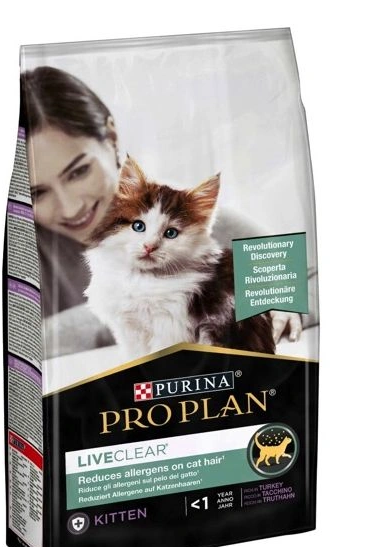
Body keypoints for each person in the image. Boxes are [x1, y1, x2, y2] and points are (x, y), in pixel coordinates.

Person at [20, 66, 314, 359]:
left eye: (79, 172)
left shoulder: (201, 225)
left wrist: (287, 306)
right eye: (38, 193)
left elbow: (308, 282)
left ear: (111, 138)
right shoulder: (26, 255)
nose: (70, 207)